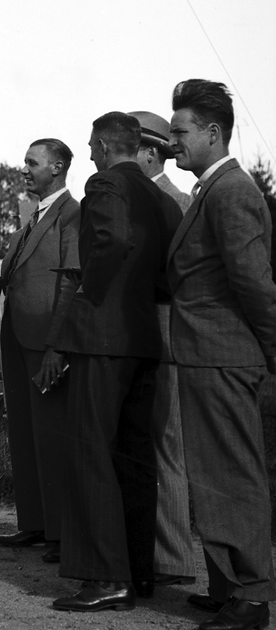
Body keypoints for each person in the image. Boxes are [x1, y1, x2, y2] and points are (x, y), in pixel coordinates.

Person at [47, 112, 180, 614]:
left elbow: (112, 240)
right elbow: (170, 265)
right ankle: (137, 572)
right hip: (144, 337)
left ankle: (106, 576)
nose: (88, 153)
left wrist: (89, 295)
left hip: (101, 338)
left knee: (91, 453)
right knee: (134, 457)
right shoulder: (159, 196)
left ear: (104, 146)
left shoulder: (105, 184)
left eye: (90, 145)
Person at [167, 79, 276, 630]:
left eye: (180, 131)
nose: (172, 141)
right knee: (213, 476)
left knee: (233, 475)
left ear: (213, 133)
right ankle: (227, 586)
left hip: (224, 356)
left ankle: (252, 595)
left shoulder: (231, 191)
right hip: (205, 355)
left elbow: (254, 284)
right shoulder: (212, 190)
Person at [0, 139, 80, 564]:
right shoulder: (34, 216)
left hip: (45, 342)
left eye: (32, 163)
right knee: (24, 432)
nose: (24, 169)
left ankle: (62, 533)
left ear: (58, 167)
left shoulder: (72, 214)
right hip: (17, 337)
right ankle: (34, 522)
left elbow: (71, 282)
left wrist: (56, 347)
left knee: (51, 436)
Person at [129, 110, 199, 587]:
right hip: (145, 332)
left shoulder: (176, 201)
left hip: (167, 331)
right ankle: (154, 551)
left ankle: (173, 557)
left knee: (166, 442)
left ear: (151, 154)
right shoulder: (149, 198)